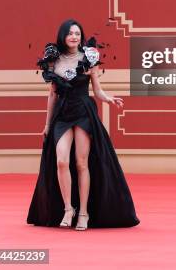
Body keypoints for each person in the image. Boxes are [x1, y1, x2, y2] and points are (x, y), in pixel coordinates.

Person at [27, 19, 139, 229]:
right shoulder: (53, 59)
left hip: (83, 112)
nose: (74, 37)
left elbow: (96, 90)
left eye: (77, 33)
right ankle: (69, 209)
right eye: (70, 33)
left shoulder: (89, 58)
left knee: (81, 163)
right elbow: (52, 94)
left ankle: (84, 213)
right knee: (61, 160)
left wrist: (108, 98)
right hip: (62, 113)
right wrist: (47, 124)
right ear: (63, 36)